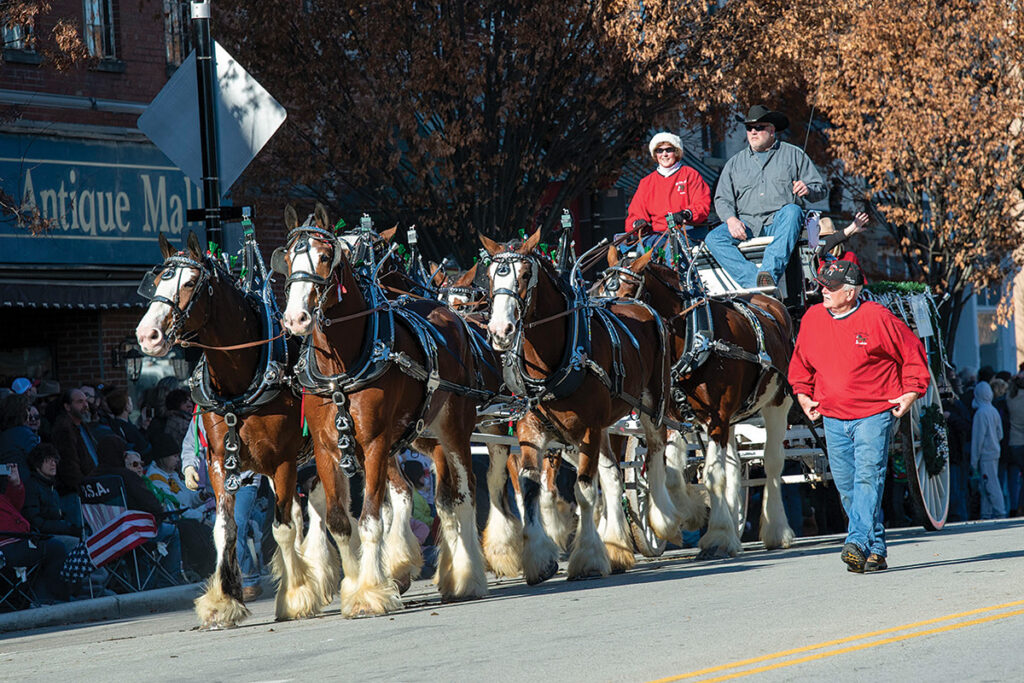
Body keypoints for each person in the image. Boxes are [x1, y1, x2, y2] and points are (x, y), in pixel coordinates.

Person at [789, 260, 930, 573]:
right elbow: (801, 364)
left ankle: (855, 542)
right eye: (822, 284)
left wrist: (911, 391)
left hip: (874, 413)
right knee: (847, 486)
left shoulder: (877, 318)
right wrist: (802, 393)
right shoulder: (813, 318)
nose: (822, 290)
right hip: (833, 415)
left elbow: (912, 353)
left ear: (850, 293)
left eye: (831, 287)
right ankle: (875, 547)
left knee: (868, 475)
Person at [707, 105, 828, 290]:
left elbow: (820, 189)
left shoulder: (794, 154)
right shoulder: (734, 163)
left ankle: (769, 273)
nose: (753, 132)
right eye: (749, 128)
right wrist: (731, 220)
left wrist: (808, 189)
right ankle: (756, 282)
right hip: (746, 225)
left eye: (759, 127)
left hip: (779, 223)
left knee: (793, 211)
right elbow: (722, 199)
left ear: (772, 130)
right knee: (713, 239)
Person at [181, 415, 264, 599]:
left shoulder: (245, 410)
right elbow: (191, 444)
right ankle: (232, 577)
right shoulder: (202, 416)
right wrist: (188, 468)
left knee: (238, 523)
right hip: (219, 482)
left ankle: (249, 578)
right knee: (225, 529)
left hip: (245, 482)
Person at [0, 461, 72, 603]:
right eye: (48, 460)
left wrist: (15, 484)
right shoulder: (36, 485)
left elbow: (14, 507)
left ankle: (46, 598)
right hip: (7, 546)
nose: (53, 464)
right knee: (56, 548)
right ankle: (48, 600)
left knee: (64, 544)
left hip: (20, 539)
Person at [624, 132, 711, 248]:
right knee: (643, 249)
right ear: (655, 154)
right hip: (657, 234)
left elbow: (702, 204)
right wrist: (637, 223)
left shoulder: (690, 174)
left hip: (687, 231)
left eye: (668, 150)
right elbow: (636, 212)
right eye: (659, 151)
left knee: (671, 248)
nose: (664, 154)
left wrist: (686, 214)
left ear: (676, 152)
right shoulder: (646, 182)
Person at [50, 389, 98, 529]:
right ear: (67, 406)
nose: (85, 405)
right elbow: (68, 466)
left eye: (85, 401)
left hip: (90, 490)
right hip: (76, 495)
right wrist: (84, 488)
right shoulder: (64, 429)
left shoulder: (81, 425)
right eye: (79, 402)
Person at [22, 444, 82, 545]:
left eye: (54, 460)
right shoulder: (32, 487)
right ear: (37, 464)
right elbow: (35, 521)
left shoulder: (51, 488)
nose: (53, 464)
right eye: (48, 460)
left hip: (55, 533)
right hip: (42, 538)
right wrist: (65, 528)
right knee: (76, 543)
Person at [971, 381, 1006, 519]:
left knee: (990, 484)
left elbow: (977, 440)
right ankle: (986, 513)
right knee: (987, 484)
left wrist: (974, 461)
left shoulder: (980, 413)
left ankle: (999, 510)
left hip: (985, 454)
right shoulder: (993, 410)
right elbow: (1000, 434)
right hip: (994, 452)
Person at [0, 393, 41, 481]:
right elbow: (39, 463)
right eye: (28, 409)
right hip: (25, 485)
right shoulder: (25, 435)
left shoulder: (4, 435)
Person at [103, 388, 151, 460]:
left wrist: (144, 427)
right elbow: (144, 447)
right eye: (130, 402)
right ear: (126, 406)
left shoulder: (116, 424)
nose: (132, 404)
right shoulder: (126, 427)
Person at [1005, 371, 1024, 516]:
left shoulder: (1010, 398)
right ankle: (1020, 506)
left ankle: (1014, 506)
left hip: (1013, 441)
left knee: (1013, 478)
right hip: (1022, 441)